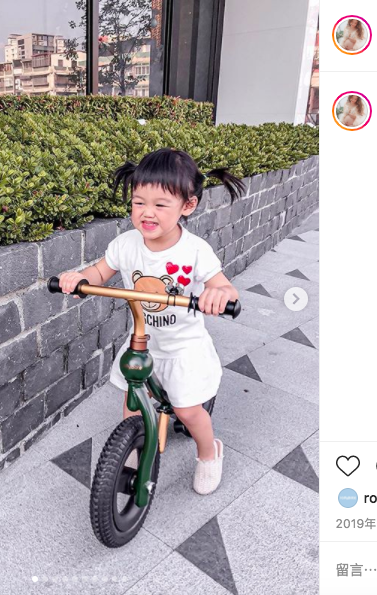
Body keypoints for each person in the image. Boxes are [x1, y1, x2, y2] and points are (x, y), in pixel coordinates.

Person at [58, 147, 245, 495]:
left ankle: (209, 453)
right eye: (138, 202)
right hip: (143, 340)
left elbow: (223, 286)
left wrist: (219, 295)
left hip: (183, 348)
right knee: (132, 402)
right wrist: (80, 279)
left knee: (187, 411)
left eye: (160, 205)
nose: (147, 212)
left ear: (187, 205)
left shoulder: (195, 251)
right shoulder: (126, 244)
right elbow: (99, 271)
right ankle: (134, 449)